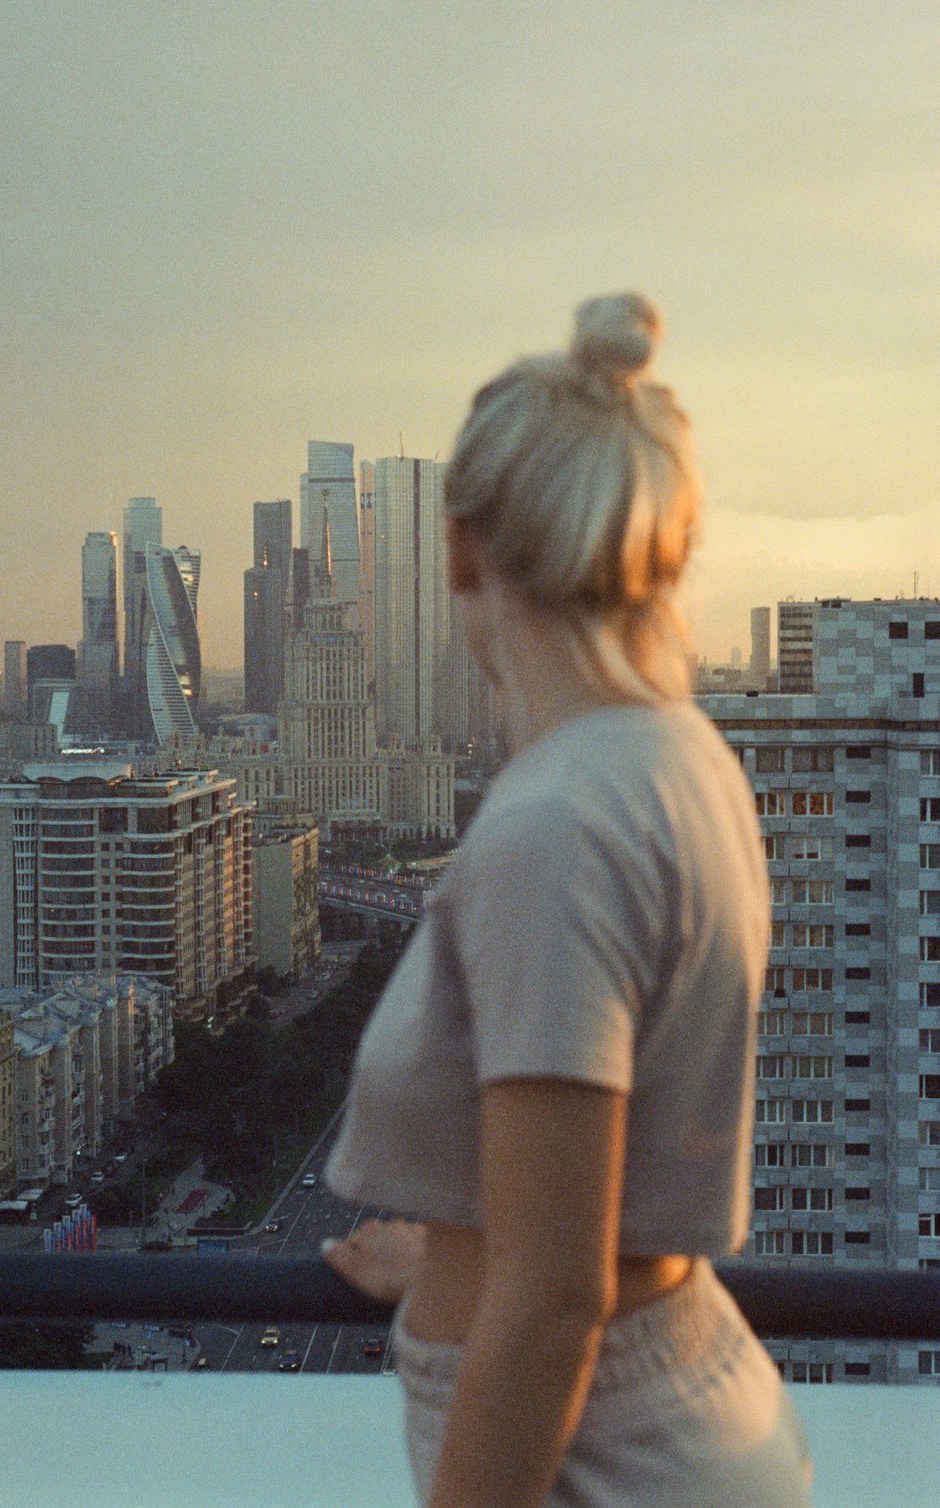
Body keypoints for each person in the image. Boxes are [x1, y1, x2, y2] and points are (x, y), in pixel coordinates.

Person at [322, 293, 813, 1507]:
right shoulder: (681, 757)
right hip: (686, 1401)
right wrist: (445, 1255)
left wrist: (491, 1282)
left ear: (460, 549)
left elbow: (553, 1298)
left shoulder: (554, 825)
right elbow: (591, 1199)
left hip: (598, 1454)